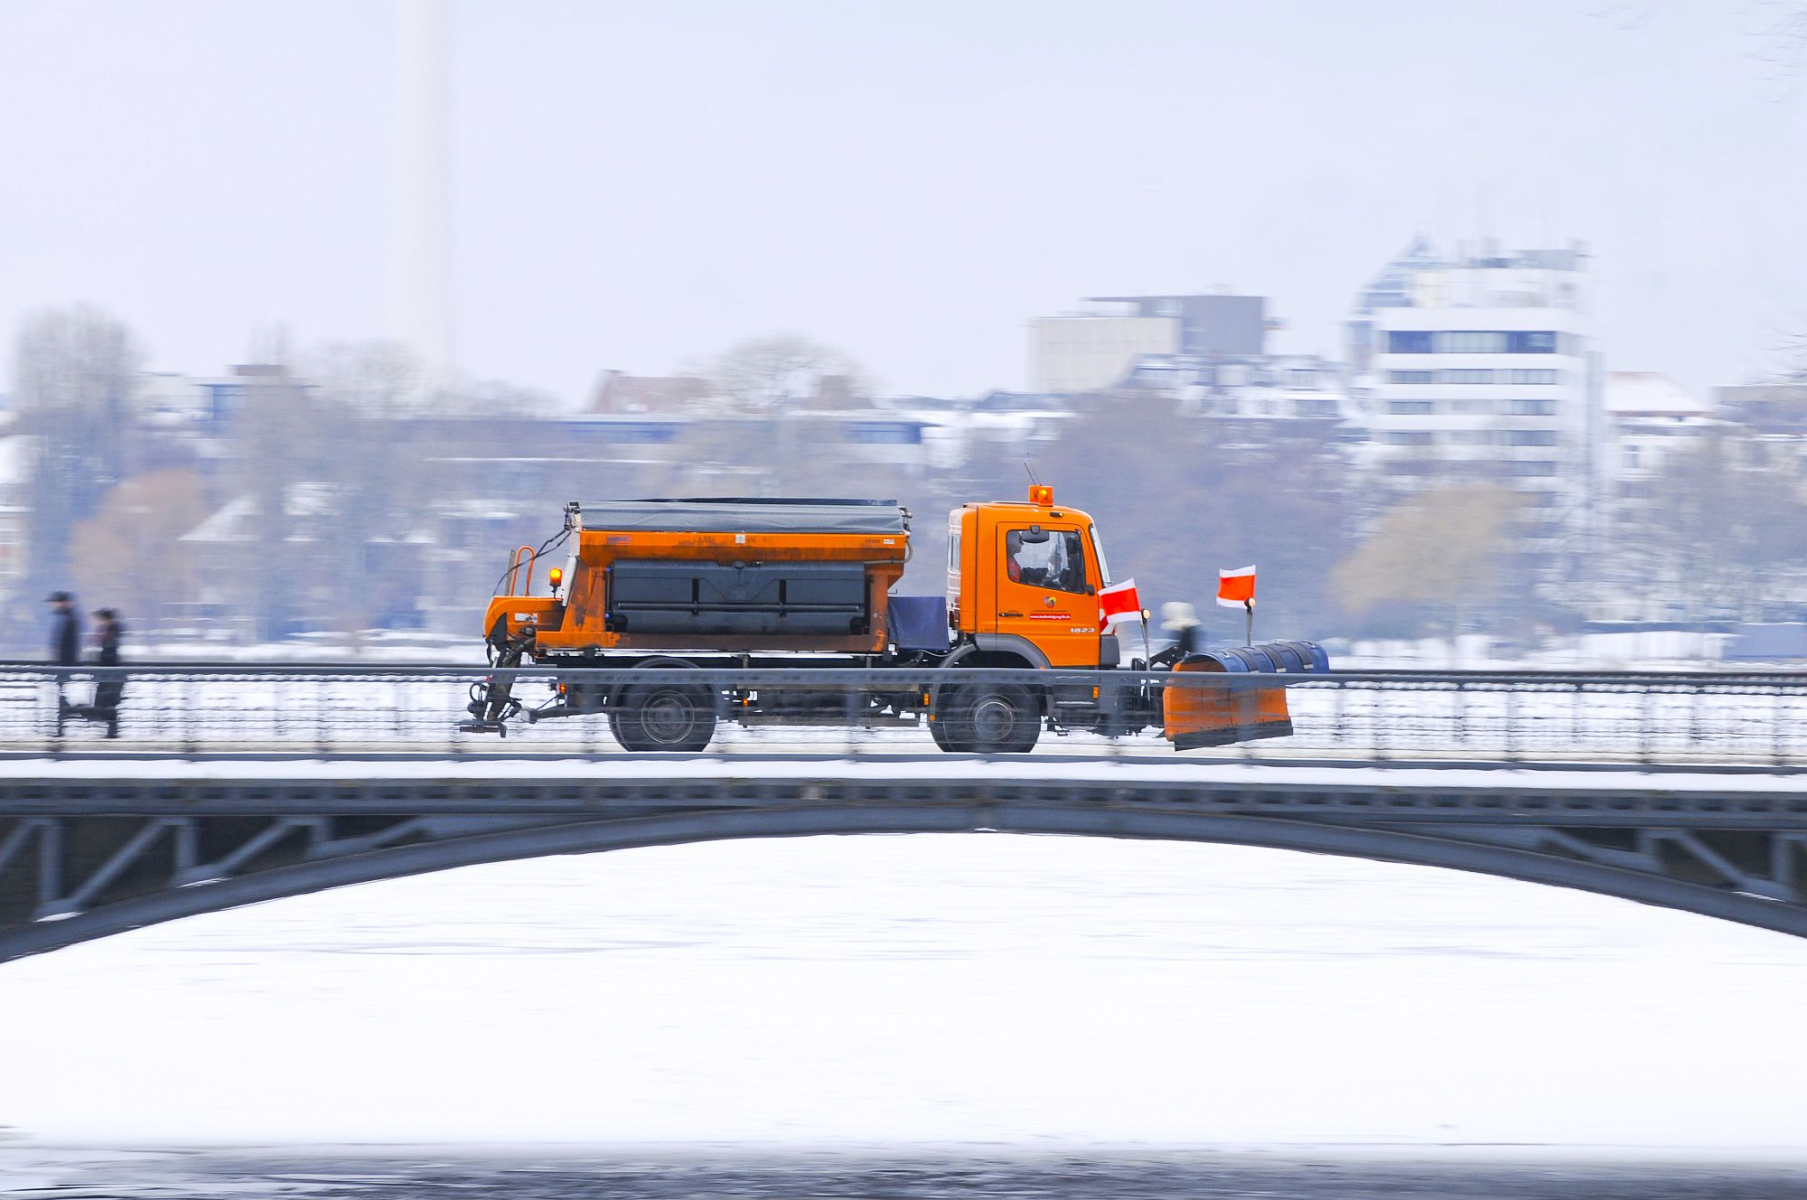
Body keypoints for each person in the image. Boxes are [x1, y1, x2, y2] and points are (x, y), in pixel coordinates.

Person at [65, 609, 125, 739]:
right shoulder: (110, 632)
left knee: (106, 703)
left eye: (99, 619)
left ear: (106, 619)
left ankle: (76, 711)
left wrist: (98, 662)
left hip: (110, 674)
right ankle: (111, 731)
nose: (97, 622)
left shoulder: (111, 633)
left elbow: (109, 654)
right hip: (108, 674)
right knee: (106, 703)